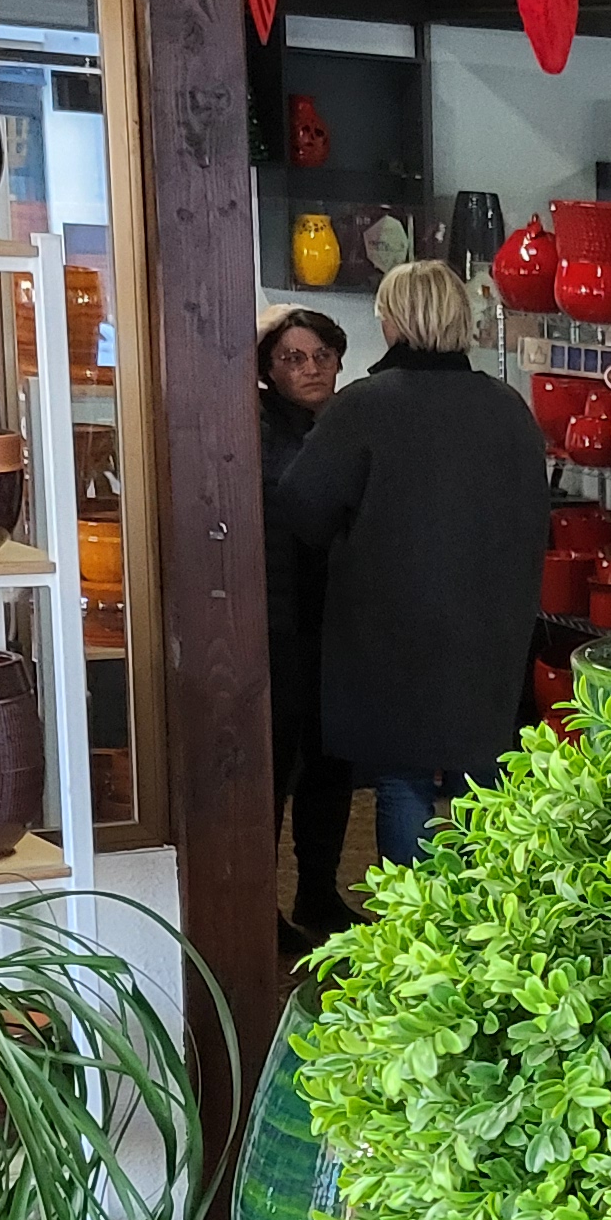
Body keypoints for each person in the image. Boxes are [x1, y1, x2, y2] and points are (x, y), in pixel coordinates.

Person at [271, 258, 551, 868]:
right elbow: (538, 519)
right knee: (483, 785)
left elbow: (302, 508)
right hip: (491, 630)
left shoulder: (364, 408)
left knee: (403, 783)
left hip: (389, 631)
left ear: (392, 321)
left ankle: (414, 933)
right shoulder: (508, 409)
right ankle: (488, 931)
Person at [256, 305, 354, 945]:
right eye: (293, 358)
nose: (311, 369)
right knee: (272, 769)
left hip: (337, 621)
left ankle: (319, 891)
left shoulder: (346, 424)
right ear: (268, 370)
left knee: (332, 761)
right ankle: (259, 905)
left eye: (320, 356)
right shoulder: (258, 430)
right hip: (277, 624)